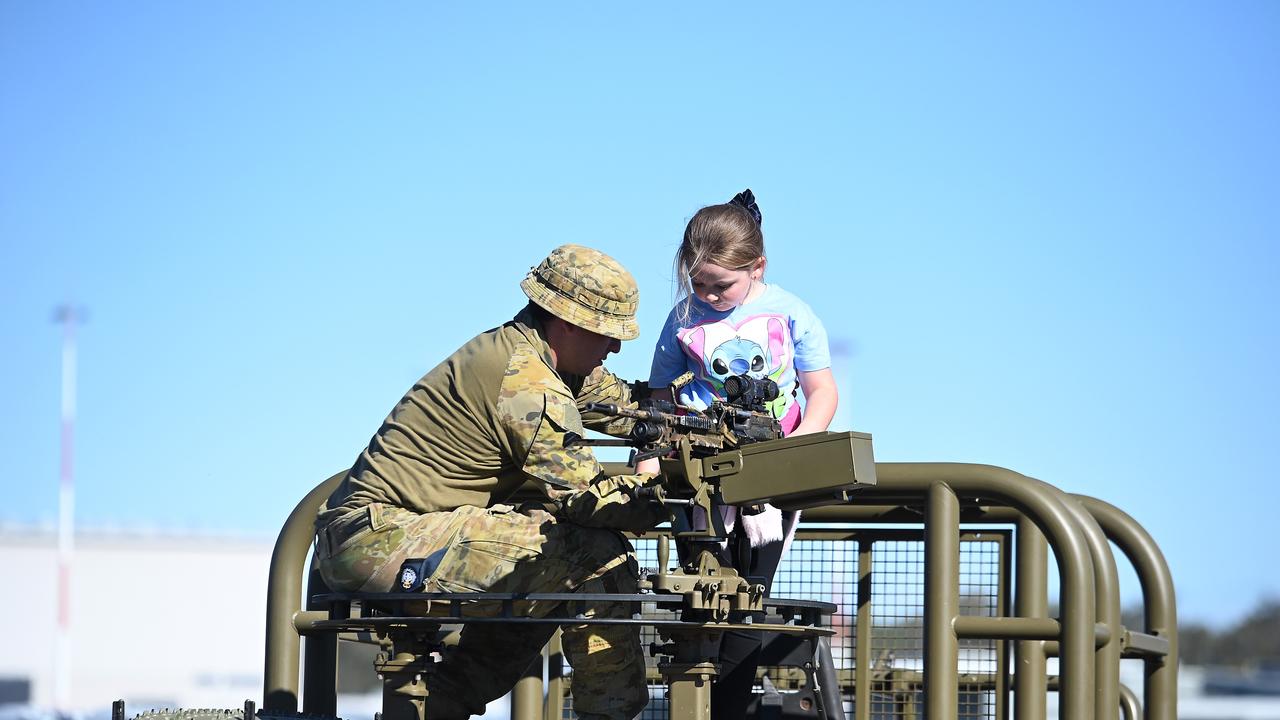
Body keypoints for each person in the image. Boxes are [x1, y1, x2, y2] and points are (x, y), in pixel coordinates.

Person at [314, 244, 666, 720]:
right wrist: (667, 499)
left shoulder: (537, 355)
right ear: (565, 322)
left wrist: (700, 417)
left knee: (556, 563)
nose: (616, 348)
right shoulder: (527, 382)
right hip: (376, 539)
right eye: (606, 334)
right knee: (596, 558)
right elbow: (586, 499)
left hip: (386, 531)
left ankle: (443, 705)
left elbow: (632, 409)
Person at [640, 189, 838, 719]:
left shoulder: (791, 312)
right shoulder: (682, 317)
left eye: (720, 284)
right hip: (699, 477)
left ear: (757, 267)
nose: (707, 294)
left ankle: (724, 710)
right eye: (697, 282)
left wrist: (799, 448)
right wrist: (654, 454)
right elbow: (661, 398)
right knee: (703, 597)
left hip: (767, 480)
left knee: (748, 602)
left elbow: (821, 391)